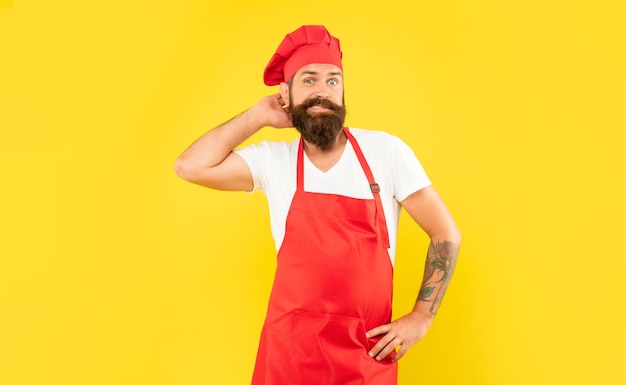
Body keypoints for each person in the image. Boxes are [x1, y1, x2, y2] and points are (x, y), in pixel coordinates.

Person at [175, 25, 461, 385]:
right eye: (309, 81)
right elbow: (190, 166)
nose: (323, 92)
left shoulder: (386, 153)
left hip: (365, 356)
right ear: (286, 94)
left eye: (333, 81)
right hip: (288, 358)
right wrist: (258, 115)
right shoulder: (274, 161)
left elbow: (445, 232)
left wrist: (422, 316)